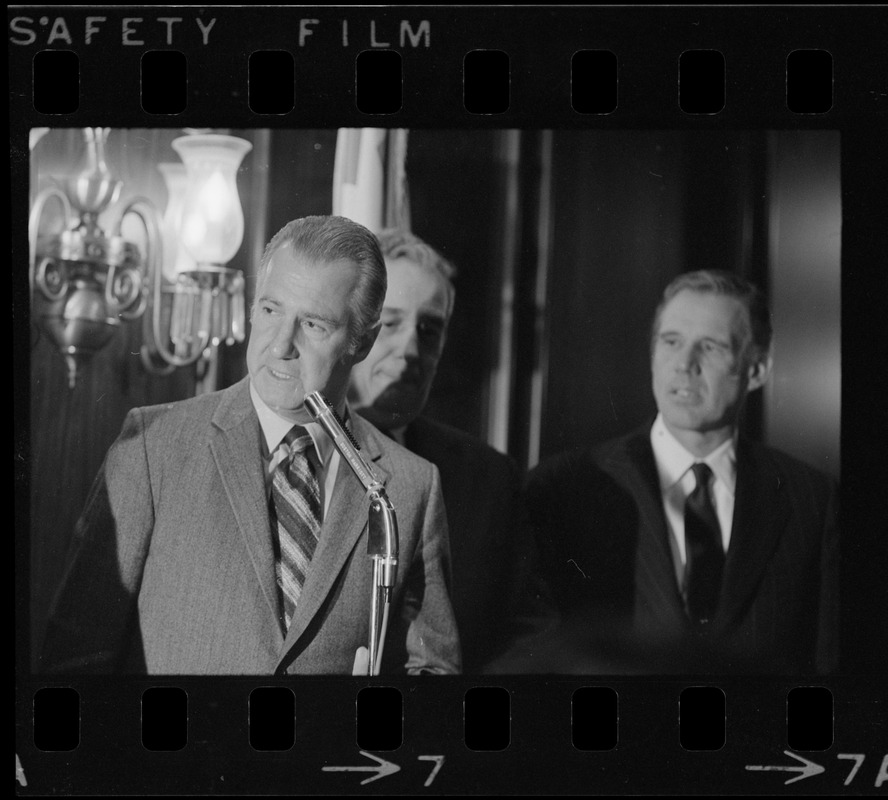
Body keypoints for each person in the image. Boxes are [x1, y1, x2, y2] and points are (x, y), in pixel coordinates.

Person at [39, 216, 461, 676]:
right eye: (270, 310)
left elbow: (433, 672)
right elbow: (74, 662)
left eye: (314, 325)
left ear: (362, 341)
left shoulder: (411, 486)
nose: (281, 345)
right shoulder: (151, 449)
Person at [526, 270, 839, 674]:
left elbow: (831, 665)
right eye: (671, 342)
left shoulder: (812, 499)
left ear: (757, 370)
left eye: (710, 347)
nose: (684, 364)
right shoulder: (564, 485)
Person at [348, 228, 557, 673]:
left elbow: (530, 634)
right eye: (390, 322)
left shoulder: (487, 478)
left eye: (430, 329)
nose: (409, 350)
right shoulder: (295, 454)